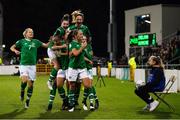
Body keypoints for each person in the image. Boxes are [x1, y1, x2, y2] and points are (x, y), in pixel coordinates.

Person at [10, 28, 50, 109]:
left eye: (32, 32)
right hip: (23, 65)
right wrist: (15, 51)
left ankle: (27, 100)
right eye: (30, 32)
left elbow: (46, 45)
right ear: (25, 34)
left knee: (31, 85)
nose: (31, 33)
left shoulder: (36, 41)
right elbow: (12, 47)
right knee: (24, 80)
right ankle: (22, 91)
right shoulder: (21, 41)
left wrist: (52, 41)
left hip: (32, 66)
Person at [67, 29, 91, 112]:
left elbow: (81, 55)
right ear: (75, 36)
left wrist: (88, 59)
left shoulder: (82, 44)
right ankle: (71, 104)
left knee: (87, 85)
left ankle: (84, 101)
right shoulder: (72, 43)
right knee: (72, 85)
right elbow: (76, 53)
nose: (82, 35)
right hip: (73, 67)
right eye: (80, 34)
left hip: (82, 68)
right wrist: (82, 47)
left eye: (82, 34)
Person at [47, 14, 70, 90]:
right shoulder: (60, 30)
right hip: (52, 49)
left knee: (59, 66)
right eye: (64, 24)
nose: (66, 25)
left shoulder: (64, 30)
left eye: (67, 24)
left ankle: (55, 79)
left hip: (55, 49)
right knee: (57, 66)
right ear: (61, 24)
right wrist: (62, 46)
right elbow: (54, 41)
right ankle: (49, 81)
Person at [81, 36, 99, 110]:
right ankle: (95, 100)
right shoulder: (79, 46)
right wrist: (89, 60)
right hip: (82, 69)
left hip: (89, 68)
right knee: (87, 86)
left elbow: (91, 54)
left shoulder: (89, 46)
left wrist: (88, 59)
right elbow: (82, 57)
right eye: (83, 39)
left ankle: (90, 103)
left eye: (85, 39)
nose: (84, 40)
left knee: (90, 85)